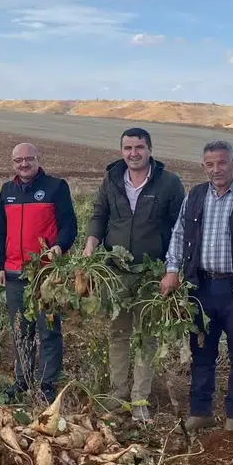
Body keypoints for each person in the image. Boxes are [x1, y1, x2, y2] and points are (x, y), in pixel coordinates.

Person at [161, 140, 233, 433]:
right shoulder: (196, 195)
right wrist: (172, 270)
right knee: (202, 352)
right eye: (210, 165)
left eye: (222, 163)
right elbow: (178, 235)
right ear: (204, 167)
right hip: (200, 289)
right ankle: (201, 411)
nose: (216, 169)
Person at [83, 127, 186, 422]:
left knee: (146, 336)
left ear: (150, 149)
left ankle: (140, 398)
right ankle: (118, 393)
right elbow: (99, 215)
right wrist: (91, 247)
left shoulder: (168, 183)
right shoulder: (112, 179)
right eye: (127, 147)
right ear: (121, 151)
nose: (133, 153)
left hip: (152, 273)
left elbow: (181, 228)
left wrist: (173, 269)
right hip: (116, 272)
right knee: (117, 333)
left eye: (139, 147)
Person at [0, 143, 77, 402]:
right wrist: (0, 265)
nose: (23, 164)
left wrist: (59, 247)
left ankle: (47, 384)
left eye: (28, 159)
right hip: (14, 273)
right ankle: (23, 380)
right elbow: (1, 231)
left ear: (38, 160)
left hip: (45, 275)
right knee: (21, 329)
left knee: (48, 329)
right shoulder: (7, 191)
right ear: (12, 163)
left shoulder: (55, 187)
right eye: (18, 160)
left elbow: (69, 225)